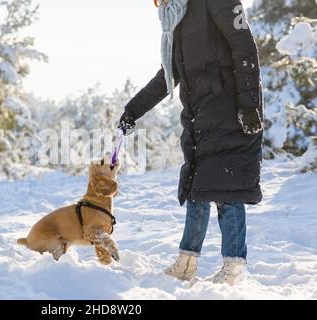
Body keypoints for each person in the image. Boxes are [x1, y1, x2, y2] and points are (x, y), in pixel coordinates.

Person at [118, 0, 264, 285]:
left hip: (231, 110)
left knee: (228, 189)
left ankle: (233, 267)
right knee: (197, 189)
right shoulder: (177, 21)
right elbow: (167, 76)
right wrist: (132, 110)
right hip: (200, 118)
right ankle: (187, 261)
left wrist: (248, 106)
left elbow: (244, 48)